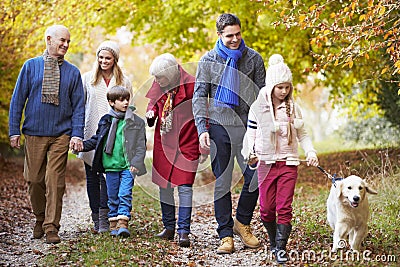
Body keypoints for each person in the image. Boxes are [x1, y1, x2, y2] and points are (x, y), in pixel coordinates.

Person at [192, 13, 266, 254]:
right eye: (229, 36)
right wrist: (202, 129)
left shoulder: (254, 59)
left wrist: (263, 129)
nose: (235, 39)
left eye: (238, 34)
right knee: (222, 181)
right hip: (219, 127)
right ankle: (225, 234)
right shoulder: (208, 61)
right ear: (219, 35)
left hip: (248, 129)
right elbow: (199, 96)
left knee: (255, 177)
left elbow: (263, 98)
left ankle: (242, 223)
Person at [8, 25, 85, 244]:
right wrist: (14, 130)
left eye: (68, 41)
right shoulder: (30, 67)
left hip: (61, 133)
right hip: (34, 132)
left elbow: (79, 107)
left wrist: (76, 134)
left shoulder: (73, 72)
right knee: (33, 179)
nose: (66, 45)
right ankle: (40, 217)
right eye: (62, 40)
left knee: (55, 180)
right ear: (49, 39)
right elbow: (17, 100)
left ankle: (52, 227)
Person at [242, 54, 319, 263]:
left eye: (287, 87)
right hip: (265, 164)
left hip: (289, 163)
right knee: (266, 209)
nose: (284, 91)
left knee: (284, 206)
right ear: (271, 86)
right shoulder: (258, 108)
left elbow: (303, 134)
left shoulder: (293, 108)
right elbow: (251, 134)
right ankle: (273, 239)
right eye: (280, 87)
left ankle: (281, 247)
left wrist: (310, 152)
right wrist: (250, 151)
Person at [145, 53, 207, 247]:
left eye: (160, 78)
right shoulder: (159, 81)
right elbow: (153, 104)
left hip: (187, 140)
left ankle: (183, 232)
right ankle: (169, 227)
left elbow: (202, 112)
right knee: (164, 185)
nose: (156, 81)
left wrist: (202, 145)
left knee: (185, 186)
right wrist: (151, 113)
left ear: (171, 74)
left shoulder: (191, 83)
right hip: (164, 141)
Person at [77, 40, 133, 234]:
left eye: (108, 58)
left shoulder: (124, 80)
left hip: (114, 137)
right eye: (100, 57)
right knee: (92, 177)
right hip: (92, 130)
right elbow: (80, 106)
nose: (103, 61)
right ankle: (97, 218)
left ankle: (111, 217)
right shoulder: (87, 79)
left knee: (108, 179)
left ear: (115, 59)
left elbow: (129, 108)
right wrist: (78, 136)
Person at [78, 85, 146, 238]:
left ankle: (123, 223)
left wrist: (136, 162)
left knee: (124, 193)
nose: (125, 103)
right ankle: (114, 225)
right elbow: (97, 139)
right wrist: (82, 145)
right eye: (121, 100)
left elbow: (141, 145)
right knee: (112, 196)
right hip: (110, 167)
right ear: (111, 102)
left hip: (128, 166)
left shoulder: (136, 122)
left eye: (127, 99)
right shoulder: (105, 121)